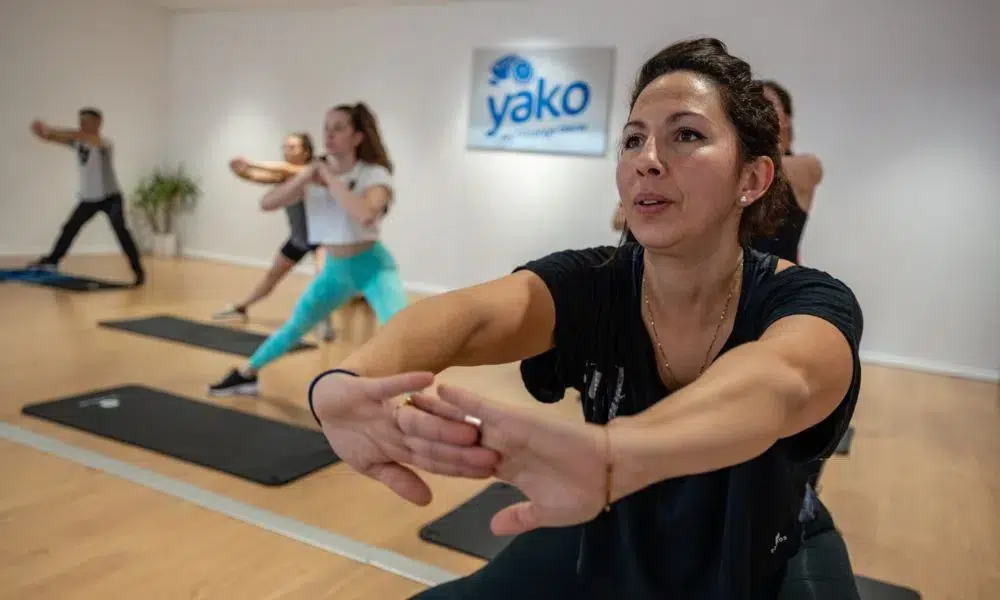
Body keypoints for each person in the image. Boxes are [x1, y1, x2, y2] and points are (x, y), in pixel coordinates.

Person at [307, 38, 864, 599]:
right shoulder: (590, 282)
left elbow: (781, 380)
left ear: (752, 179)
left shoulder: (807, 300)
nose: (647, 157)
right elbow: (469, 315)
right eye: (633, 139)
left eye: (686, 134)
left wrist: (616, 455)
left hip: (762, 556)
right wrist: (347, 378)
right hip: (613, 517)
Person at [208, 103, 408, 396]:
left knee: (402, 333)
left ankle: (418, 400)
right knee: (295, 326)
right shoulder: (311, 173)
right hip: (336, 270)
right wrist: (304, 177)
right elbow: (267, 203)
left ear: (358, 137)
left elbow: (365, 213)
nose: (329, 135)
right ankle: (246, 374)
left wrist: (328, 179)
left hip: (373, 267)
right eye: (326, 128)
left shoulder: (373, 174)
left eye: (339, 128)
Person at [212, 133, 334, 341]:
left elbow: (286, 169)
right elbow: (259, 177)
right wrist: (242, 172)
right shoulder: (283, 175)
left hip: (321, 238)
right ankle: (241, 307)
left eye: (293, 147)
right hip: (298, 238)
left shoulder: (314, 171)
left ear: (306, 151)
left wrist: (253, 163)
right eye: (285, 147)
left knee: (323, 277)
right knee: (272, 276)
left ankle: (323, 319)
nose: (287, 151)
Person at [28, 108, 145, 286]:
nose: (82, 124)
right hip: (89, 199)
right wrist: (43, 134)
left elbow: (77, 135)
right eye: (80, 120)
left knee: (121, 231)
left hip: (110, 198)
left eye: (86, 121)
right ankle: (52, 261)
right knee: (70, 228)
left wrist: (50, 128)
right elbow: (56, 139)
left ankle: (138, 270)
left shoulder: (104, 143)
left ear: (98, 123)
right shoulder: (79, 143)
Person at [750, 80, 824, 264]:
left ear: (786, 119)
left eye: (767, 104)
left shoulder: (806, 165)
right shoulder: (742, 168)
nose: (759, 111)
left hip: (782, 284)